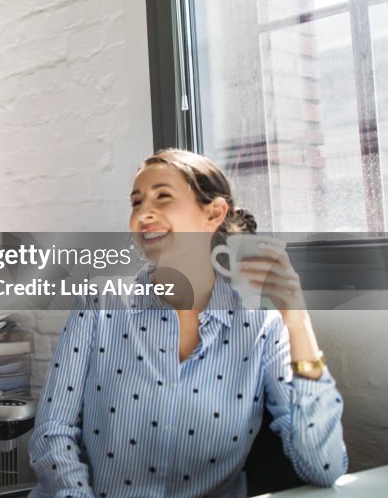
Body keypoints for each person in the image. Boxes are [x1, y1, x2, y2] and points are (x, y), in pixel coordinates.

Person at [29, 149, 347, 497]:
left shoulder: (260, 325)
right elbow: (53, 432)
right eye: (136, 203)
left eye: (162, 196)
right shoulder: (101, 303)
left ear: (214, 213)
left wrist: (297, 321)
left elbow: (322, 466)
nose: (142, 215)